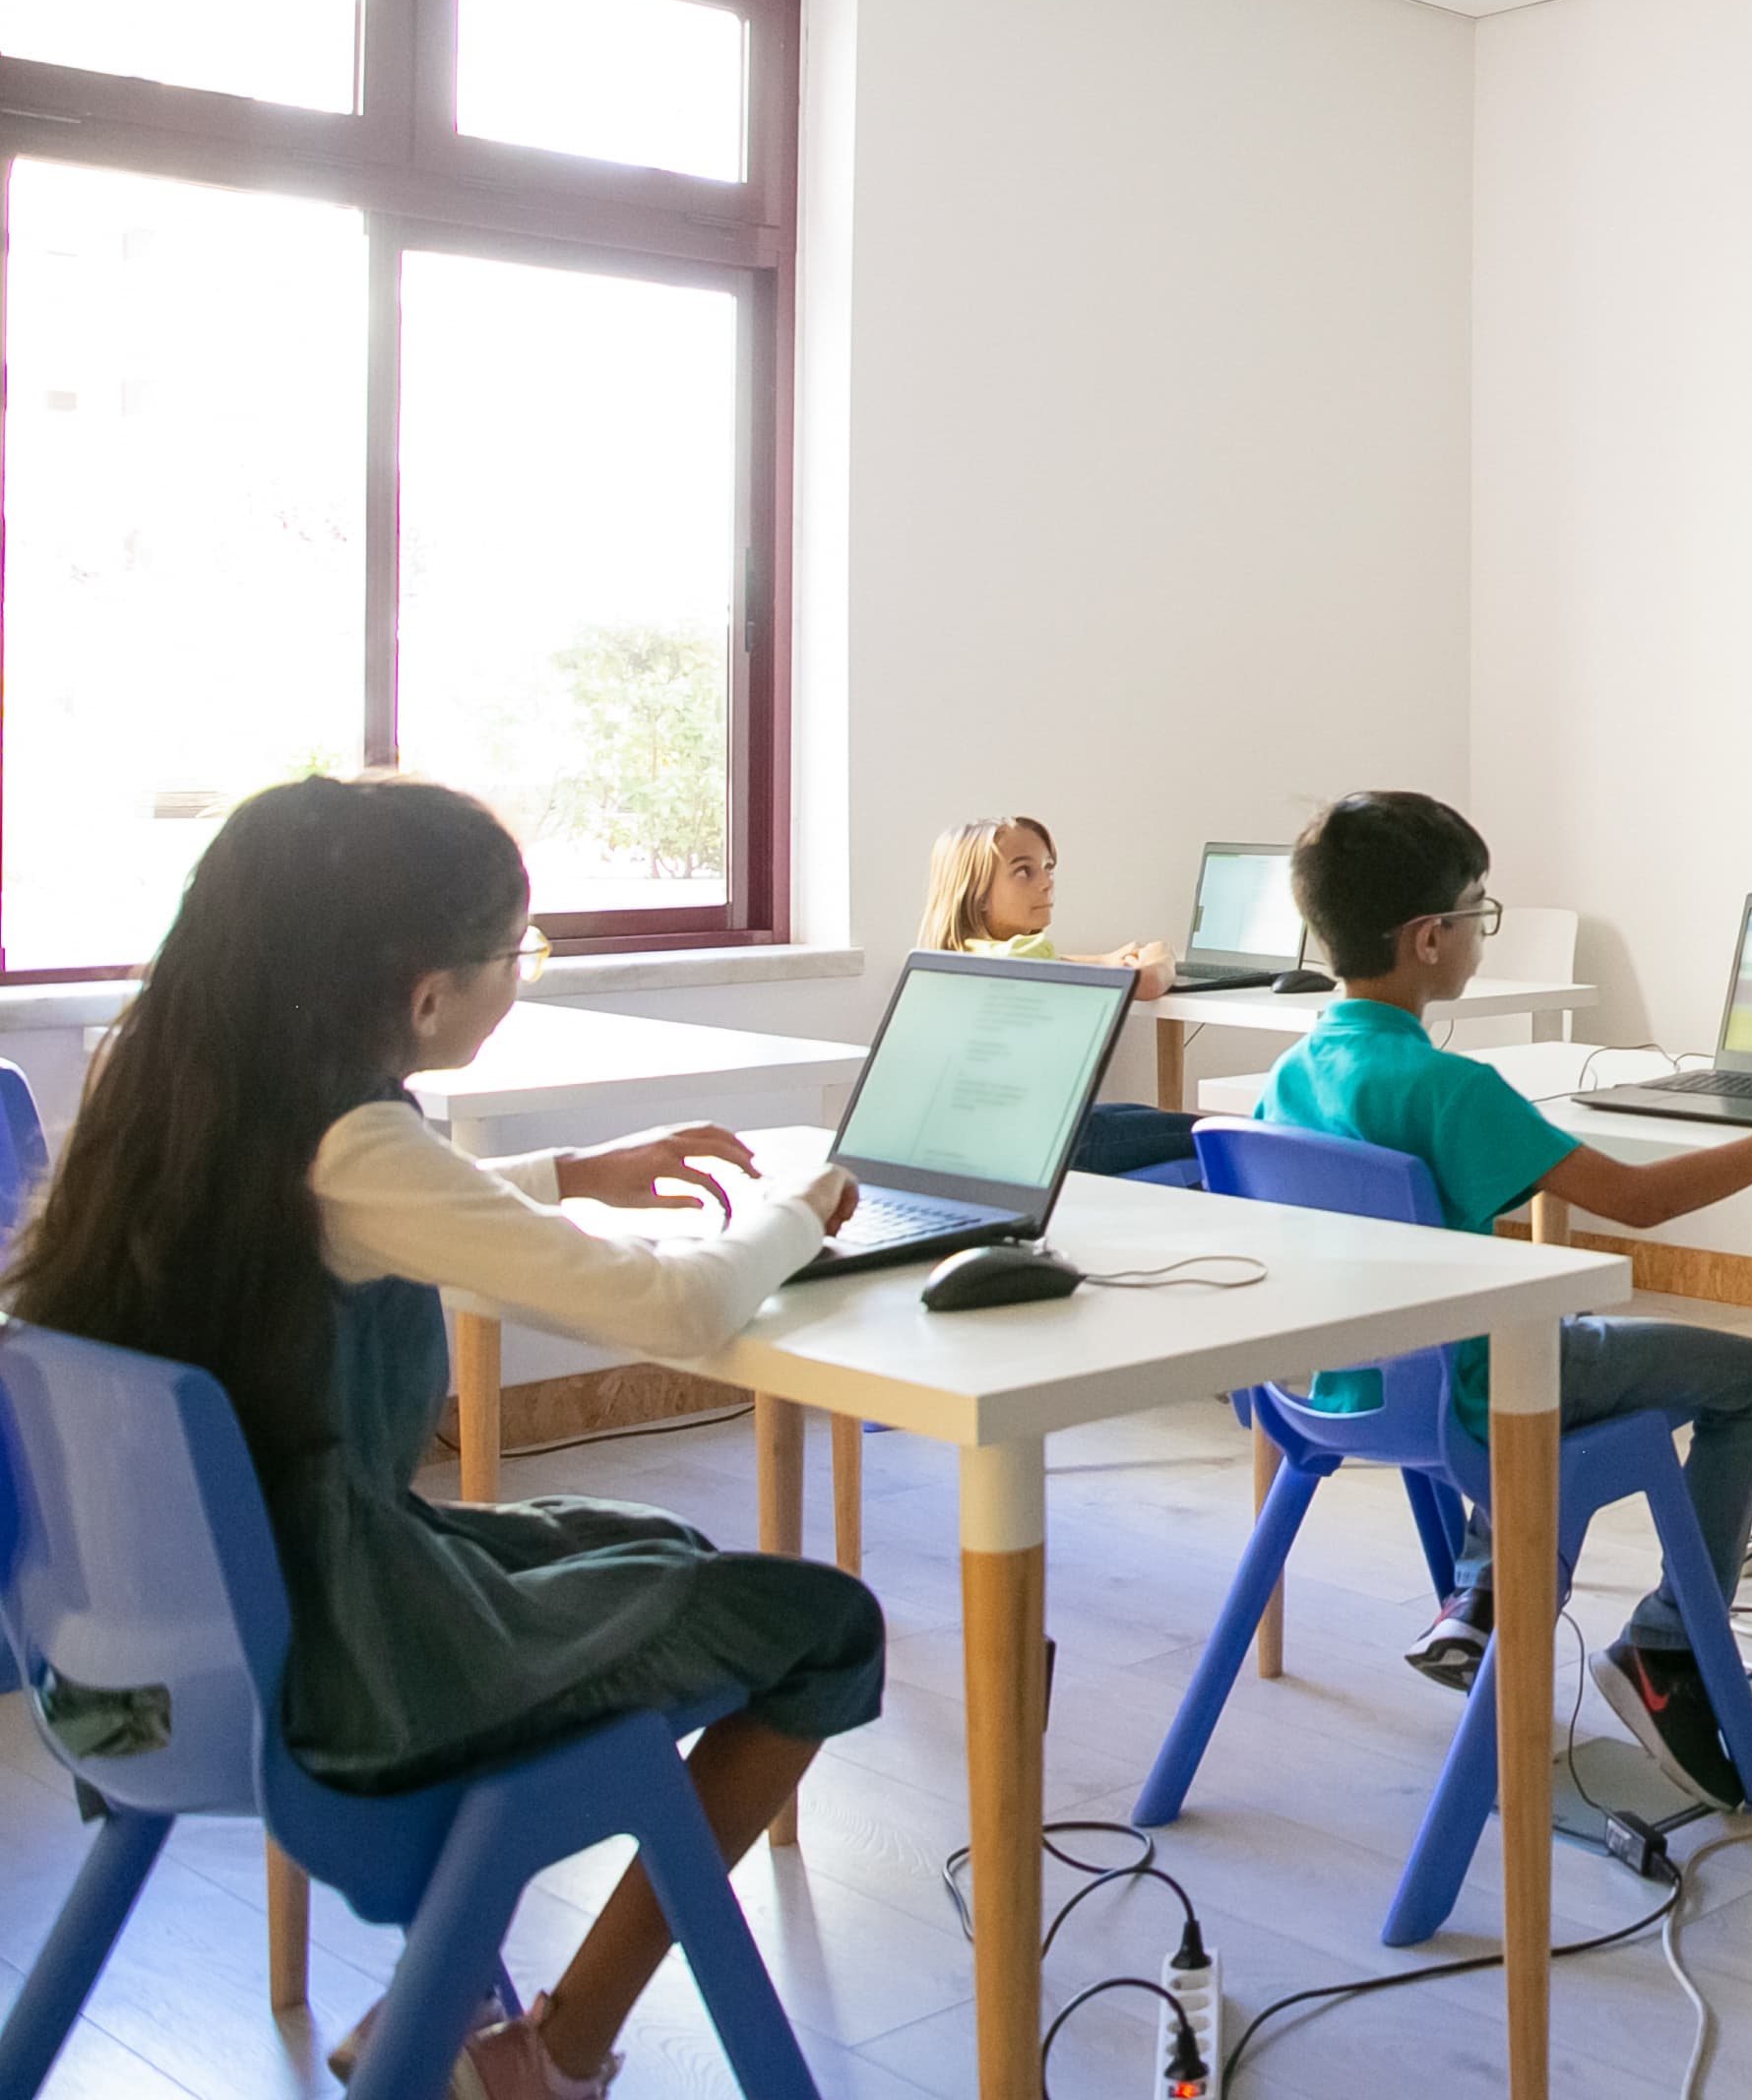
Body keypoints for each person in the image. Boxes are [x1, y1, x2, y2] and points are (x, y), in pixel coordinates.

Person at [6, 776, 884, 2100]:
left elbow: (360, 1210)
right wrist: (808, 1207)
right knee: (824, 1624)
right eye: (512, 957)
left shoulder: (170, 1098)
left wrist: (568, 1176)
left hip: (146, 1674)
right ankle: (550, 2049)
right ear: (427, 996)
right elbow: (680, 1305)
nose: (514, 979)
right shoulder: (351, 1138)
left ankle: (453, 1998)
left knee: (646, 1538)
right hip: (341, 1670)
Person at [1267, 791, 1752, 1809]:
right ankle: (1665, 1648)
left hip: (1347, 1390)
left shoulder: (1291, 1072)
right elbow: (1642, 1200)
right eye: (1476, 912)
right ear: (1427, 938)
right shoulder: (1449, 1088)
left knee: (1537, 1319)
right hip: (1475, 1394)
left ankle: (1484, 1591)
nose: (1479, 931)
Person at [920, 814, 1197, 1177]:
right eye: (1024, 872)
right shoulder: (1025, 957)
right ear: (977, 894)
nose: (1047, 884)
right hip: (1061, 1145)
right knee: (1211, 1131)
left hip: (1004, 1143)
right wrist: (1162, 954)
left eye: (1048, 868)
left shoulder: (960, 956)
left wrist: (1105, 960)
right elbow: (1147, 983)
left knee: (1143, 1113)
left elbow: (1061, 961)